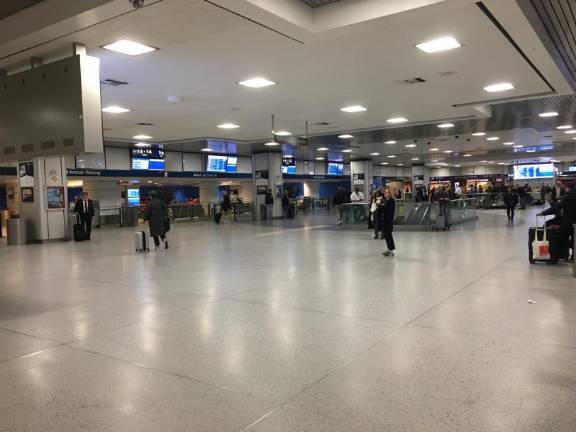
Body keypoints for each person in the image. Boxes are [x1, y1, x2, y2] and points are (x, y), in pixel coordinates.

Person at [538, 182, 575, 264]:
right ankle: (573, 257)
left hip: (568, 223)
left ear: (567, 188)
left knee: (557, 238)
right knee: (574, 239)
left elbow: (556, 207)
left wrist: (543, 213)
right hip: (573, 223)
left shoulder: (568, 196)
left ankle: (554, 259)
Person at [379, 189, 396, 256]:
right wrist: (381, 204)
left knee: (388, 236)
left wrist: (383, 205)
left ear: (389, 193)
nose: (385, 193)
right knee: (386, 236)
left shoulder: (391, 201)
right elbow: (382, 209)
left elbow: (389, 210)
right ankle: (390, 249)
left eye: (386, 192)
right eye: (385, 192)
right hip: (384, 220)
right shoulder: (385, 201)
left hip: (389, 221)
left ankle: (391, 250)